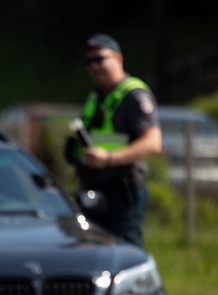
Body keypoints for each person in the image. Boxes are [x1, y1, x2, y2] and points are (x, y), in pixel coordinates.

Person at [65, 33, 162, 247]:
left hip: (122, 191)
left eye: (100, 59)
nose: (94, 66)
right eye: (89, 62)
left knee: (124, 251)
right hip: (94, 189)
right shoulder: (96, 96)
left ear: (118, 59)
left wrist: (109, 158)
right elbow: (101, 136)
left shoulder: (134, 95)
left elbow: (153, 142)